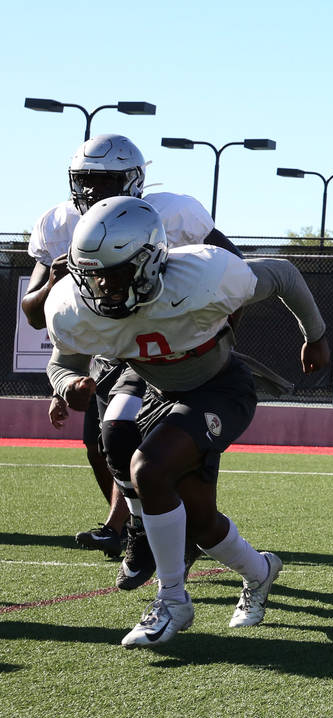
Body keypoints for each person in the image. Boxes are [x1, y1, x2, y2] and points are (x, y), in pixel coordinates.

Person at [45, 196, 330, 648]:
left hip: (220, 387)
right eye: (94, 275)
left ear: (150, 260)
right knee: (198, 521)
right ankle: (261, 571)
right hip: (158, 389)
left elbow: (283, 275)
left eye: (116, 273)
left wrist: (315, 337)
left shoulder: (205, 276)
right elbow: (61, 363)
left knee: (150, 467)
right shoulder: (75, 307)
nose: (105, 287)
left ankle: (172, 600)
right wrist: (68, 386)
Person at [21, 134, 241, 575]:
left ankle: (165, 534)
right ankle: (137, 528)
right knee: (106, 444)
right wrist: (55, 283)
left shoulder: (173, 212)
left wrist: (212, 339)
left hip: (171, 350)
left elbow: (233, 266)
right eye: (84, 181)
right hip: (111, 353)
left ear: (134, 180)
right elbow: (32, 312)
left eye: (106, 181)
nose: (92, 192)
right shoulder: (60, 222)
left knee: (170, 453)